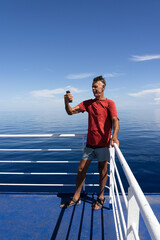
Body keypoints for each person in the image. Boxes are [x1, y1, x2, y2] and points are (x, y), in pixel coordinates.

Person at [60, 75, 119, 210]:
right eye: (92, 87)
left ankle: (101, 197)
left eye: (96, 86)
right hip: (90, 144)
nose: (93, 89)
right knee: (81, 169)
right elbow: (70, 112)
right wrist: (66, 102)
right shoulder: (88, 103)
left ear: (103, 87)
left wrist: (114, 136)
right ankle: (76, 198)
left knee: (102, 170)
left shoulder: (110, 103)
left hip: (103, 144)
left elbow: (115, 120)